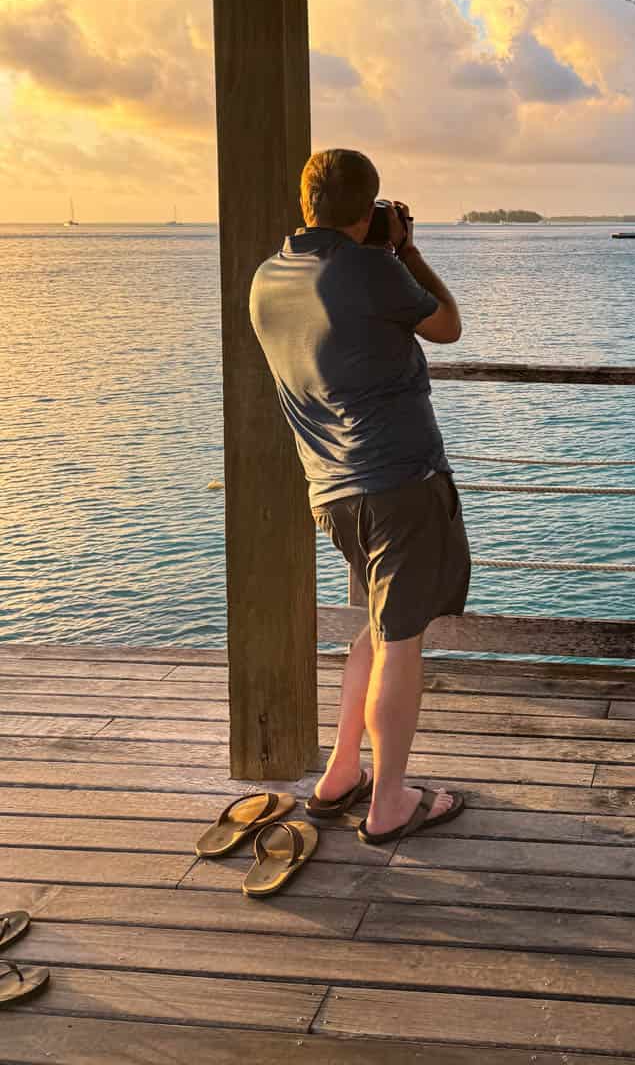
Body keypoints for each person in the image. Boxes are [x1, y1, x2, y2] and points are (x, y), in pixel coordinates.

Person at [249, 147, 468, 845]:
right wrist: (406, 249)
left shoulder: (267, 279)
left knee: (375, 630)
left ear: (304, 202)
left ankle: (343, 772)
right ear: (370, 208)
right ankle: (390, 803)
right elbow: (446, 324)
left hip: (330, 491)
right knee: (402, 643)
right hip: (400, 484)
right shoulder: (376, 270)